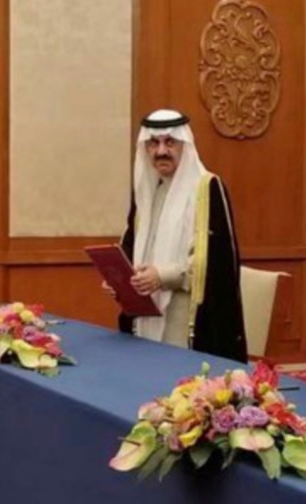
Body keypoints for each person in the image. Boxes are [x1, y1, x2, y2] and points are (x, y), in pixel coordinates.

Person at [104, 109, 247, 363]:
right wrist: (119, 279)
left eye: (170, 142)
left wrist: (163, 275)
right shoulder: (147, 191)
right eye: (153, 143)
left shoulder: (207, 189)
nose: (161, 151)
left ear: (185, 145)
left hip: (187, 324)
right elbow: (131, 247)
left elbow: (217, 263)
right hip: (144, 318)